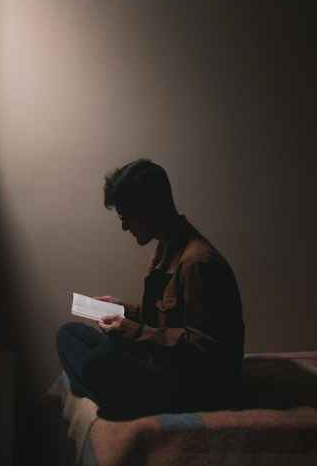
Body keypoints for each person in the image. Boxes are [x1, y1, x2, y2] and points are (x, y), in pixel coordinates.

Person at [56, 158, 245, 420]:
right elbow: (164, 319)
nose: (124, 227)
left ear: (149, 210)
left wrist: (130, 331)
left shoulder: (198, 263)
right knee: (69, 333)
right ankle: (106, 387)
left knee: (98, 365)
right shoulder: (167, 247)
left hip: (194, 383)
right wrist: (122, 310)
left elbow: (206, 350)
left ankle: (108, 392)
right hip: (163, 363)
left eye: (126, 218)